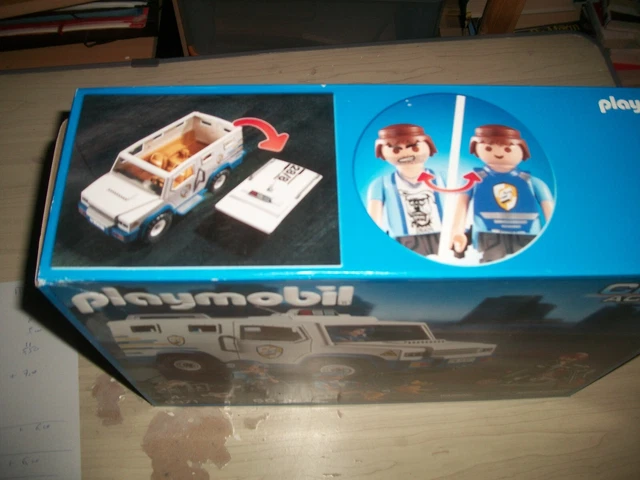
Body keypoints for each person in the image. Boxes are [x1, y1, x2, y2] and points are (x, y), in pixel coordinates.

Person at [451, 124, 554, 263]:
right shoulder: (473, 179)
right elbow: (461, 206)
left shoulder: (533, 182)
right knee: (491, 265)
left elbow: (550, 212)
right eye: (488, 148)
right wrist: (457, 232)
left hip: (528, 233)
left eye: (507, 148)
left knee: (528, 266)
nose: (499, 153)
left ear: (522, 148)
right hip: (488, 233)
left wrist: (554, 236)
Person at [367, 124, 444, 256]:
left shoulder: (443, 177)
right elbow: (374, 219)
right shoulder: (381, 184)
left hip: (443, 234)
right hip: (404, 239)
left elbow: (458, 204)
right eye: (396, 149)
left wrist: (457, 231)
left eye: (413, 146)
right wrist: (376, 240)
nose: (406, 152)